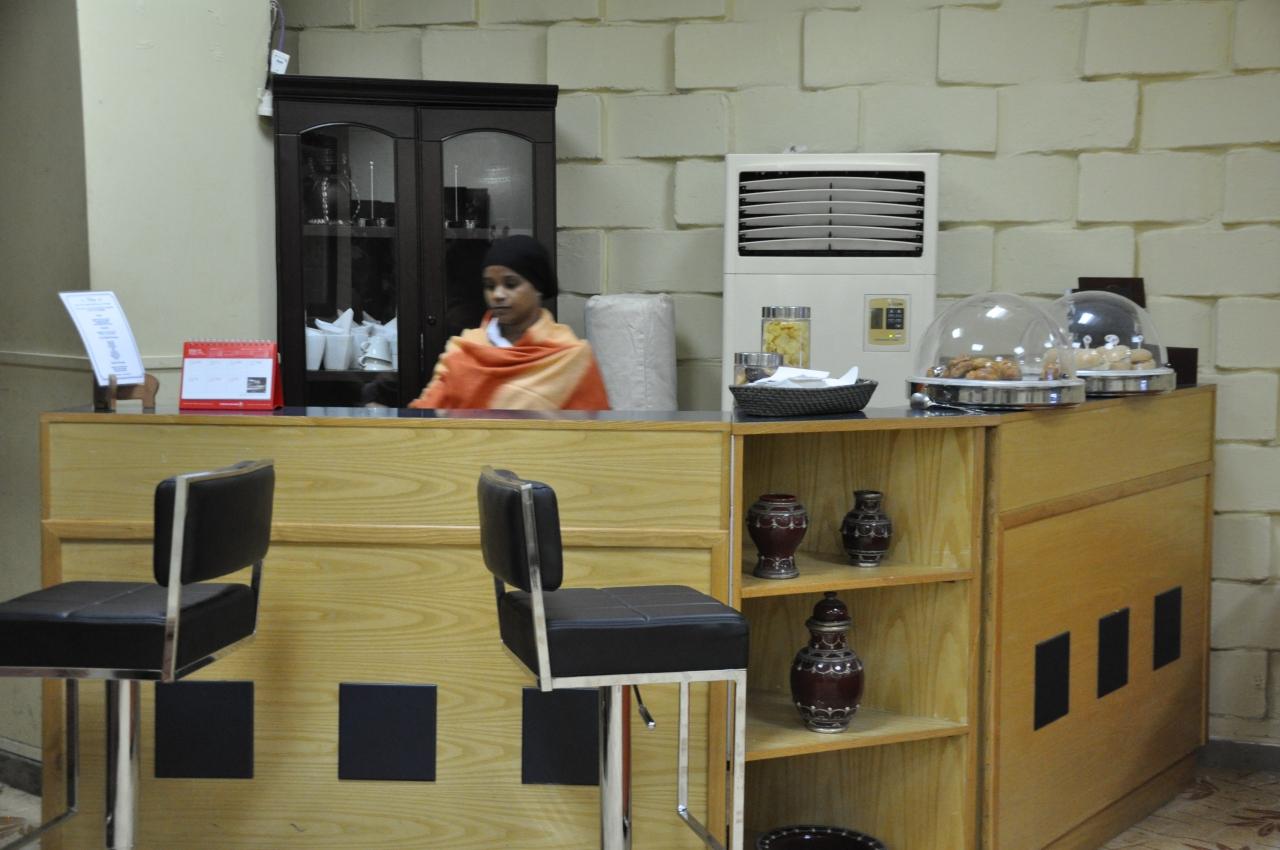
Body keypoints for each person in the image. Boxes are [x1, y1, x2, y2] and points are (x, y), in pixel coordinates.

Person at [409, 235, 611, 410]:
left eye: (511, 284)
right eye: (490, 286)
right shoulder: (464, 351)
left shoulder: (570, 357)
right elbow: (425, 419)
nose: (497, 295)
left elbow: (595, 433)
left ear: (538, 287)